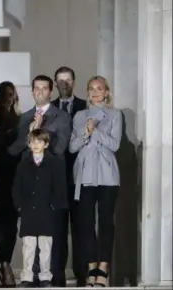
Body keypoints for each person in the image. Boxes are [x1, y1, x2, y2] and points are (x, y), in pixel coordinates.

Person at [8, 74, 71, 286]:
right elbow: (15, 149)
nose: (40, 92)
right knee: (28, 241)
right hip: (29, 183)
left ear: (50, 91)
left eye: (45, 88)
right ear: (32, 91)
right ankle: (28, 276)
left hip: (50, 182)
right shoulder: (25, 117)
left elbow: (61, 148)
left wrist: (41, 134)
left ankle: (51, 276)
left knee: (49, 240)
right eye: (37, 88)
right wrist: (29, 133)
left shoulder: (60, 116)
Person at [69, 76, 122, 287]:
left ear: (107, 92)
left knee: (106, 222)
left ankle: (104, 268)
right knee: (86, 224)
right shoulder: (79, 116)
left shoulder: (115, 115)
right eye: (91, 88)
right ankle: (91, 267)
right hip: (85, 174)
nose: (95, 92)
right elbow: (72, 147)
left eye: (99, 88)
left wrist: (97, 132)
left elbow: (115, 145)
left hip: (107, 174)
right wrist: (85, 133)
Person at [12, 129, 68, 288]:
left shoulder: (54, 163)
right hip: (29, 211)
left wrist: (53, 206)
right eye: (33, 142)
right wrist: (20, 206)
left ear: (46, 144)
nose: (36, 145)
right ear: (29, 144)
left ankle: (45, 277)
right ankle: (27, 276)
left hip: (46, 211)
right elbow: (17, 187)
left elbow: (59, 187)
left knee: (45, 245)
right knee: (28, 246)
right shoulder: (23, 164)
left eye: (39, 141)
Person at [51, 66, 88, 286]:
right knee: (58, 229)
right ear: (55, 84)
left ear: (74, 82)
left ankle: (82, 273)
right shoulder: (50, 109)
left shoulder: (85, 107)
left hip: (81, 176)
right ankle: (58, 274)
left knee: (81, 227)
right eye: (60, 80)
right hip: (57, 178)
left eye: (68, 80)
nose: (64, 84)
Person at [0, 81, 21, 287]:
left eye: (11, 94)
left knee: (10, 226)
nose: (8, 98)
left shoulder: (19, 120)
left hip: (15, 178)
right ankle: (4, 266)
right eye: (5, 94)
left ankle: (6, 265)